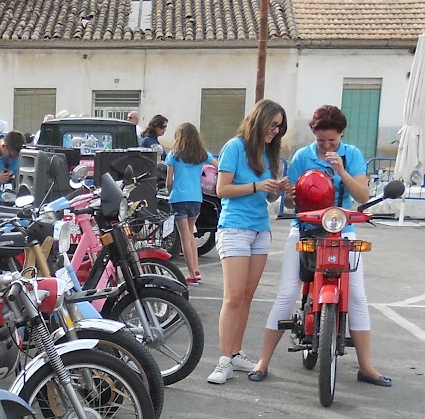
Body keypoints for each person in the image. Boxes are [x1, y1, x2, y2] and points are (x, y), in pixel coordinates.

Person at [246, 104, 391, 386]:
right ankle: (263, 361)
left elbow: (362, 195)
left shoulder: (352, 155)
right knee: (287, 292)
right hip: (306, 231)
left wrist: (341, 171)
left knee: (357, 297)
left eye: (331, 140)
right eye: (320, 140)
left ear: (341, 135)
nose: (325, 145)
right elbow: (292, 203)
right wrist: (290, 194)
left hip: (342, 232)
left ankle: (366, 367)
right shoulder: (303, 156)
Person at [206, 98, 288, 385]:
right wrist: (257, 185)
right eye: (273, 125)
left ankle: (236, 353)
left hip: (260, 230)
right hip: (235, 228)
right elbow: (222, 189)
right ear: (259, 120)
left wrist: (277, 190)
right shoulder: (235, 147)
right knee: (233, 297)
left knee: (247, 297)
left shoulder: (269, 153)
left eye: (279, 127)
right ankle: (224, 360)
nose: (276, 131)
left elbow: (268, 197)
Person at [164, 121, 213, 285]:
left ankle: (192, 273)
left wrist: (169, 192)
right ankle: (196, 270)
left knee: (184, 236)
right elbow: (219, 166)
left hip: (179, 198)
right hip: (196, 198)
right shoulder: (202, 154)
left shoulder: (174, 155)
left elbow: (168, 182)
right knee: (190, 233)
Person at [0, 130, 25, 204]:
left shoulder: (14, 156)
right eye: (11, 156)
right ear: (3, 146)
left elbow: (19, 177)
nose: (13, 159)